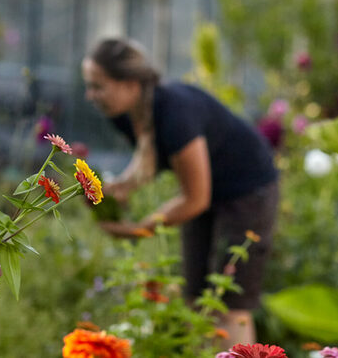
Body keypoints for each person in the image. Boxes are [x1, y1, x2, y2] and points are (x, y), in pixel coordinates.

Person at [81, 37, 279, 345]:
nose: (89, 95)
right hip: (210, 192)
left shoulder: (176, 114)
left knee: (231, 305)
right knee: (195, 296)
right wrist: (112, 192)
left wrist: (138, 230)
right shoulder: (127, 114)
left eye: (98, 86)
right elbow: (149, 159)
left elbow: (195, 198)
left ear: (130, 83)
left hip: (248, 191)